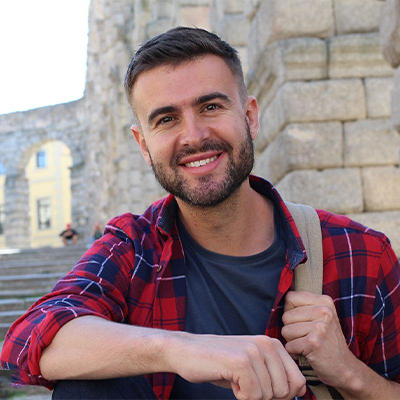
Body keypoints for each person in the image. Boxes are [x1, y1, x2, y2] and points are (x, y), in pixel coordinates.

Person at [1, 27, 400, 400]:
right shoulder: (135, 247)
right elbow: (28, 340)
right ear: (144, 145)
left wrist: (347, 372)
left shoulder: (359, 253)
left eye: (210, 106)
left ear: (250, 117)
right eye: (167, 119)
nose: (193, 136)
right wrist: (178, 349)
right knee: (86, 384)